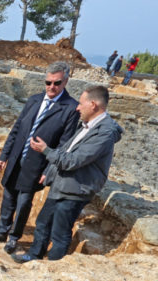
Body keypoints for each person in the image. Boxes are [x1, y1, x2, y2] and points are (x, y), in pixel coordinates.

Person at [12, 85, 123, 263]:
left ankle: (54, 268)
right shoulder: (88, 125)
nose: (77, 107)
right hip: (63, 183)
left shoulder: (104, 133)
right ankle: (34, 255)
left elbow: (73, 160)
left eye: (81, 103)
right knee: (42, 222)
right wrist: (49, 172)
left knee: (59, 233)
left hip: (76, 188)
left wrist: (46, 150)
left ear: (93, 105)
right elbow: (67, 149)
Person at [0, 62, 80, 254]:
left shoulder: (70, 108)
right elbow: (17, 129)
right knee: (8, 196)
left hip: (37, 164)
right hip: (17, 157)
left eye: (57, 83)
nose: (51, 87)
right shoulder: (34, 100)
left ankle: (13, 237)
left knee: (24, 202)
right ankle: (2, 231)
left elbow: (64, 144)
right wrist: (5, 155)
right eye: (48, 82)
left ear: (66, 81)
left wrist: (48, 170)